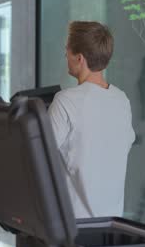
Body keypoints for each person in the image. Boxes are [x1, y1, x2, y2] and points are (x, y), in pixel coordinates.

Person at [48, 21, 135, 218]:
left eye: (67, 51)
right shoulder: (122, 100)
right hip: (112, 224)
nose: (65, 56)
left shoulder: (65, 101)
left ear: (79, 58)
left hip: (73, 226)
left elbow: (39, 159)